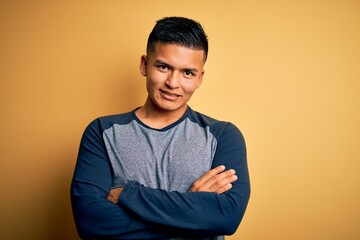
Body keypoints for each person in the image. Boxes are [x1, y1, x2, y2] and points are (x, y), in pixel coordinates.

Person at [71, 16, 250, 240]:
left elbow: (227, 218)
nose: (173, 83)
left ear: (199, 78)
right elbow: (91, 223)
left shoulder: (223, 136)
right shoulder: (102, 132)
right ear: (145, 65)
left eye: (187, 73)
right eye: (164, 67)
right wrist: (193, 214)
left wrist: (128, 194)